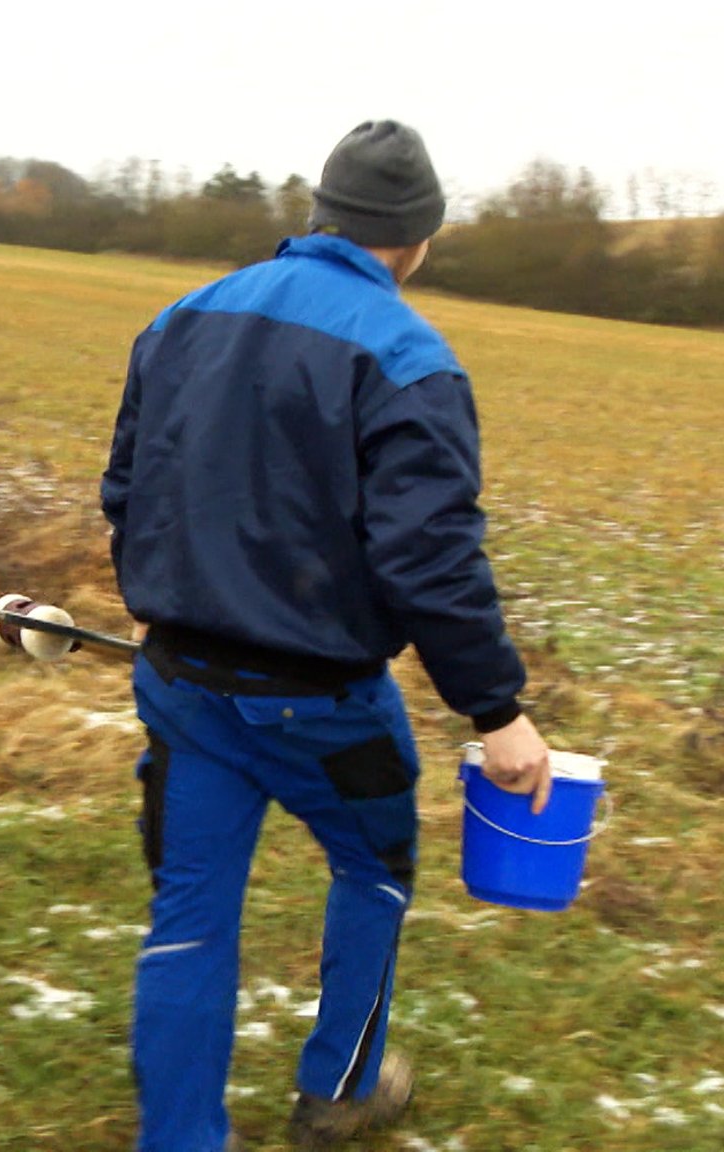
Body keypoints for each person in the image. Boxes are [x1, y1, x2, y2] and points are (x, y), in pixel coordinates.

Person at [100, 120, 555, 1152]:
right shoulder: (406, 356)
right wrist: (498, 713)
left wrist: (160, 596)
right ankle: (340, 1091)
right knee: (375, 869)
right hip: (322, 704)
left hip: (179, 678)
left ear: (318, 215)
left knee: (188, 920)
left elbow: (124, 487)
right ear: (418, 236)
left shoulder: (181, 316)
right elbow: (429, 558)